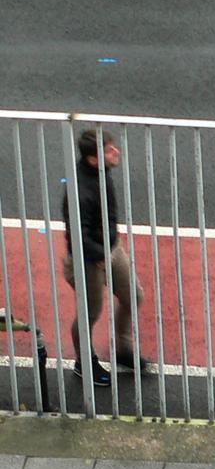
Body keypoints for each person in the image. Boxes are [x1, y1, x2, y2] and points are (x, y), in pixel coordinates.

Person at [62, 130, 146, 386]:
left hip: (109, 248)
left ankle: (123, 349)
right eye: (109, 150)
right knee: (91, 313)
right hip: (86, 260)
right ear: (93, 160)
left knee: (134, 295)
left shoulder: (103, 173)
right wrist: (99, 255)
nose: (116, 152)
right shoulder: (80, 193)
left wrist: (110, 244)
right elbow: (77, 236)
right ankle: (83, 362)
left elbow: (110, 212)